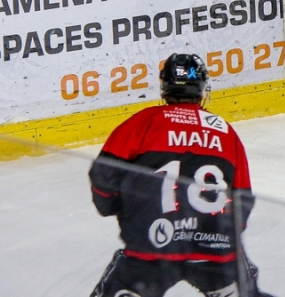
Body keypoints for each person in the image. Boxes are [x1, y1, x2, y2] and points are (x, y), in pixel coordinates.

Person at [88, 53, 271, 297]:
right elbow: (242, 200)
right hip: (214, 248)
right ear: (202, 89)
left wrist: (117, 207)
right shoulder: (225, 131)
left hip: (152, 243)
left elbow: (104, 176)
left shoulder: (144, 121)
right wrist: (223, 238)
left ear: (164, 88)